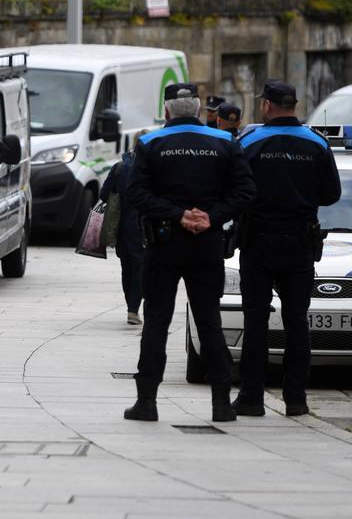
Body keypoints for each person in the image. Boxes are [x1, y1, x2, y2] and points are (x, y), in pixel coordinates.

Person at [123, 83, 256, 423]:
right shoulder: (225, 142)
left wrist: (176, 214)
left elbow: (136, 193)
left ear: (167, 111)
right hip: (206, 244)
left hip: (164, 244)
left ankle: (147, 402)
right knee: (208, 321)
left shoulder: (150, 143)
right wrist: (210, 216)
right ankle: (221, 404)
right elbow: (245, 191)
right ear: (199, 110)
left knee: (156, 322)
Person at [233, 80, 341, 418]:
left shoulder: (248, 142)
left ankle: (251, 398)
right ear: (295, 105)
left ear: (266, 105)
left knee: (255, 322)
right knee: (297, 321)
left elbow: (234, 189)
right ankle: (296, 399)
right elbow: (331, 195)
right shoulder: (317, 144)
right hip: (299, 242)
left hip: (258, 241)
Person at [99, 131, 148, 325]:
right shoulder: (150, 169)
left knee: (126, 268)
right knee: (139, 268)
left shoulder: (119, 168)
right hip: (143, 227)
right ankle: (133, 309)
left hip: (120, 227)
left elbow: (103, 194)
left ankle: (131, 306)